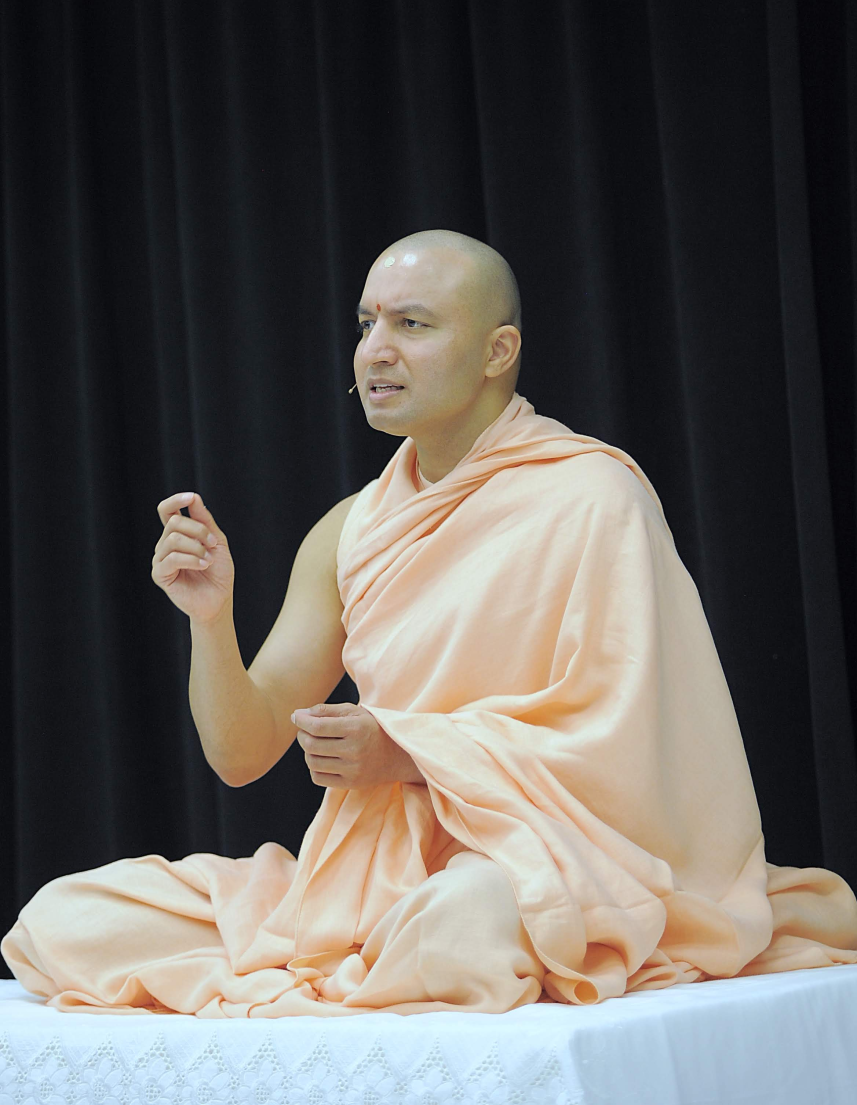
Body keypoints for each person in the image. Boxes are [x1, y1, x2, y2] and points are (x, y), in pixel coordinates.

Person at [3, 229, 857, 1017]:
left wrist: (408, 752)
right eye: (366, 323)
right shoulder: (350, 528)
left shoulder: (593, 498)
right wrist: (210, 617)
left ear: (497, 351)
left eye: (411, 324)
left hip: (541, 861)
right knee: (66, 918)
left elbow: (634, 748)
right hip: (368, 876)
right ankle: (368, 958)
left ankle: (390, 961)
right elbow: (242, 752)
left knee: (463, 922)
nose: (375, 349)